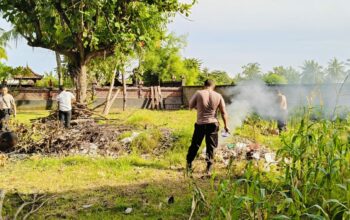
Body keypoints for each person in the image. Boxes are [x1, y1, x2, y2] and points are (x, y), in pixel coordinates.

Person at [186, 79, 229, 176]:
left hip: (200, 124)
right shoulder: (218, 96)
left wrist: (199, 107)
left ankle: (189, 164)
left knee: (195, 144)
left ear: (204, 85)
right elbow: (223, 112)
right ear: (214, 86)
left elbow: (190, 106)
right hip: (213, 124)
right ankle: (209, 168)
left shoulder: (198, 93)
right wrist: (226, 126)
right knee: (211, 146)